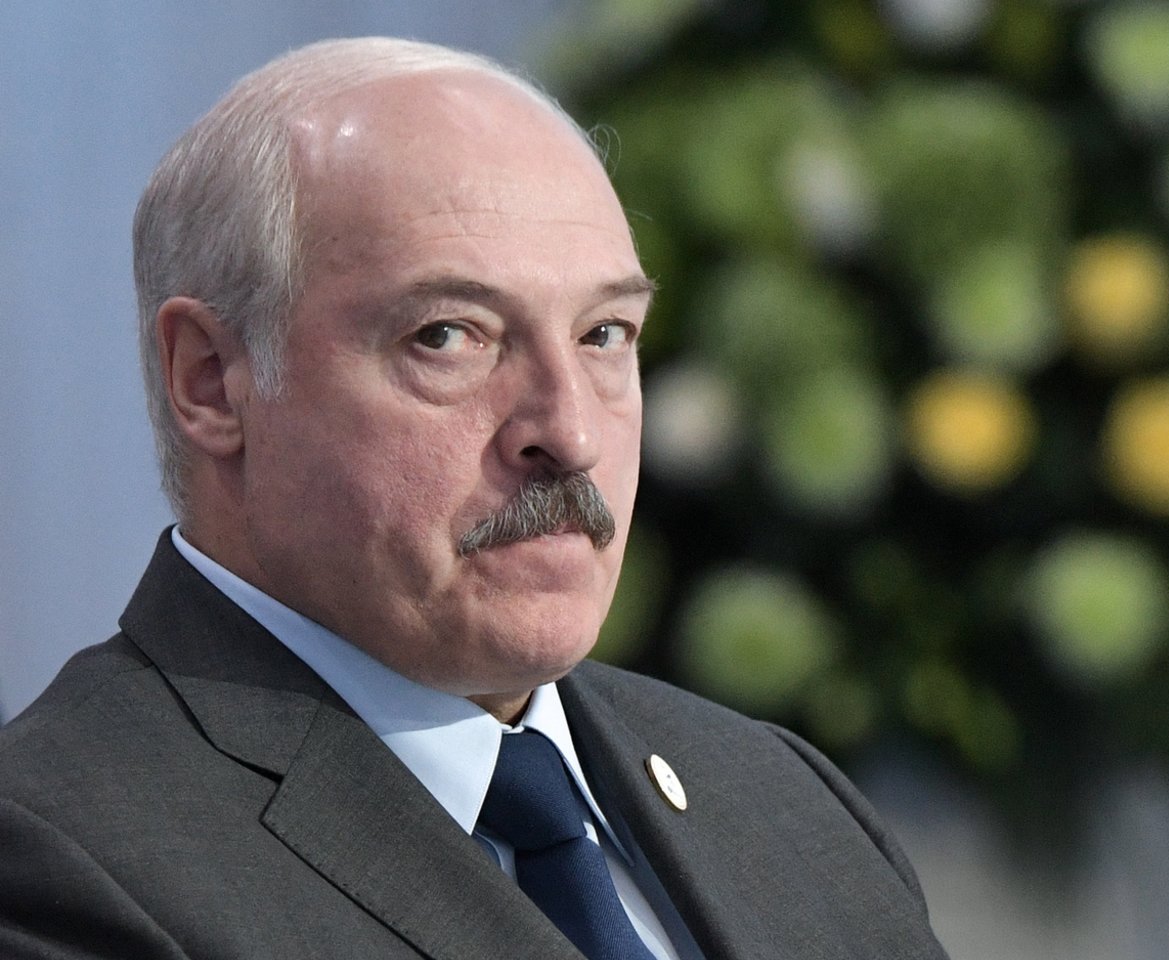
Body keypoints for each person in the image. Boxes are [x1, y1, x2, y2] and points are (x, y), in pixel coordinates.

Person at [0, 37, 948, 960]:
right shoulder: (60, 861)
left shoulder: (789, 803)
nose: (571, 434)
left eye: (604, 334)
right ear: (211, 380)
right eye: (450, 336)